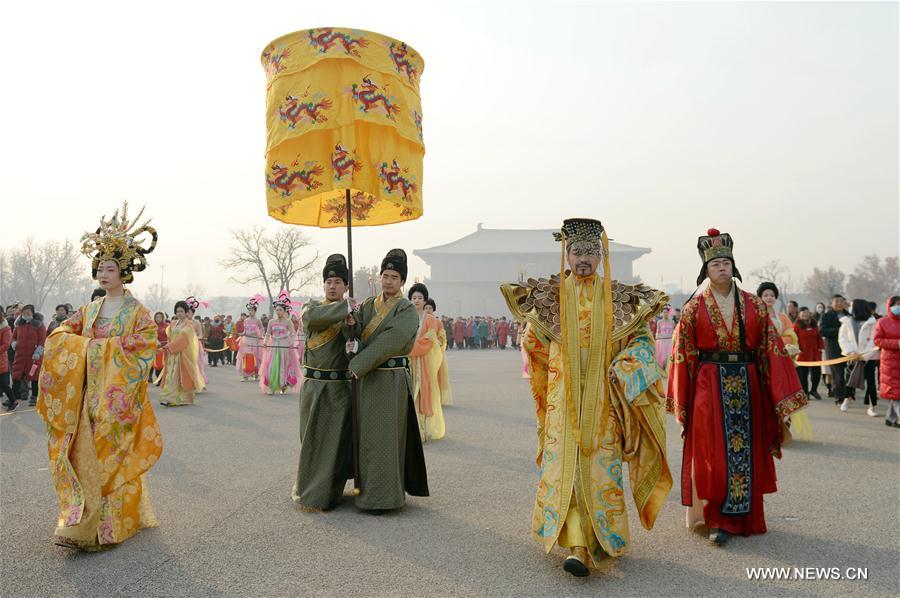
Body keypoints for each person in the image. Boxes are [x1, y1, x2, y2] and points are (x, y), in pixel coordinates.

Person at [500, 218, 671, 577]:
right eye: (577, 251)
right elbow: (534, 343)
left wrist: (624, 366)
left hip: (603, 401)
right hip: (563, 400)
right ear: (567, 254)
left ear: (601, 256)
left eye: (591, 252)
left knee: (599, 469)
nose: (583, 259)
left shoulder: (621, 299)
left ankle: (598, 539)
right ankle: (577, 543)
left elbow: (642, 343)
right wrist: (540, 349)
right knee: (568, 469)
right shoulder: (550, 298)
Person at [668, 228, 806, 546]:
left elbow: (769, 347)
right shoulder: (692, 308)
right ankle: (717, 517)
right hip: (708, 383)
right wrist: (683, 399)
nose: (722, 267)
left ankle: (743, 516)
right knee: (713, 451)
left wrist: (779, 393)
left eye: (726, 262)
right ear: (706, 270)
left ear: (733, 266)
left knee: (745, 448)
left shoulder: (754, 305)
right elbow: (683, 354)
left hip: (747, 381)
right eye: (715, 264)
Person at [36, 202, 162, 550]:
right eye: (101, 268)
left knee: (112, 457)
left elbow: (145, 344)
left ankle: (113, 525)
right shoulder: (89, 310)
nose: (103, 274)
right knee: (82, 457)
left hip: (117, 399)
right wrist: (85, 347)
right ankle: (81, 523)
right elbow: (60, 334)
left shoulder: (137, 312)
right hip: (86, 397)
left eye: (111, 269)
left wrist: (97, 348)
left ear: (124, 272)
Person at [345, 249, 429, 511]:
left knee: (385, 437)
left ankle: (385, 497)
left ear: (402, 281)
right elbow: (358, 333)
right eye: (385, 276)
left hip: (389, 380)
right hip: (368, 379)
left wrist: (358, 363)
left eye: (394, 277)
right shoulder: (369, 305)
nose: (389, 281)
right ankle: (366, 492)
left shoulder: (406, 309)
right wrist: (350, 323)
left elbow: (390, 341)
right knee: (367, 437)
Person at [293, 255, 355, 509]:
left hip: (339, 387)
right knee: (311, 439)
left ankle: (329, 493)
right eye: (328, 282)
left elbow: (359, 342)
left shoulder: (352, 313)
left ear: (346, 286)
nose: (332, 286)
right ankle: (308, 490)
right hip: (313, 385)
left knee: (334, 442)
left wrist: (353, 333)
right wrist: (344, 309)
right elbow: (311, 319)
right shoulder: (312, 307)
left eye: (338, 282)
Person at [757, 282, 811, 440]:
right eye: (765, 295)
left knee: (782, 392)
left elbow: (791, 335)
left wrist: (780, 343)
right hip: (763, 361)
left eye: (772, 295)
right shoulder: (756, 315)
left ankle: (782, 428)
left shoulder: (782, 316)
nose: (769, 298)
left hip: (781, 360)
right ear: (760, 298)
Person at [407, 283, 447, 441]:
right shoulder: (405, 317)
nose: (416, 300)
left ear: (425, 301)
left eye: (420, 298)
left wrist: (408, 347)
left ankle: (422, 430)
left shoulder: (431, 320)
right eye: (414, 298)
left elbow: (429, 341)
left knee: (423, 393)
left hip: (423, 363)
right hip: (407, 362)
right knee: (409, 394)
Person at [838, 299, 879, 416]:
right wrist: (851, 352)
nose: (849, 307)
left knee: (870, 381)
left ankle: (872, 406)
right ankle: (847, 398)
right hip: (852, 356)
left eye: (852, 305)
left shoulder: (872, 322)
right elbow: (842, 338)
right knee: (850, 378)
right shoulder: (847, 321)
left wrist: (864, 355)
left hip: (868, 357)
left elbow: (874, 340)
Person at [160, 301, 204, 406]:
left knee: (181, 376)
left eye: (181, 311)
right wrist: (168, 346)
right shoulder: (173, 323)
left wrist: (170, 346)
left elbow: (184, 339)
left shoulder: (189, 324)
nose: (179, 313)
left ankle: (183, 399)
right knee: (171, 376)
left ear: (186, 312)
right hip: (172, 354)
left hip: (182, 354)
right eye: (177, 311)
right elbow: (170, 337)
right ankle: (170, 398)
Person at [259, 291, 301, 395]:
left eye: (280, 310)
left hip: (284, 346)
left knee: (283, 366)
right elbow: (267, 333)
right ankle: (272, 387)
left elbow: (293, 334)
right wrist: (265, 342)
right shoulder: (271, 321)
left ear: (284, 310)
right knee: (272, 365)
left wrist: (291, 343)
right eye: (277, 310)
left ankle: (283, 385)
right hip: (273, 346)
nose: (278, 312)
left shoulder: (288, 322)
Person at [11, 304, 45, 407]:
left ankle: (35, 396)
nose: (26, 315)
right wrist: (14, 344)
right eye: (24, 313)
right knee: (16, 376)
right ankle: (13, 397)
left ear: (33, 313)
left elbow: (42, 340)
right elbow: (14, 337)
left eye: (28, 313)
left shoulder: (39, 325)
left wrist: (38, 352)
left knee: (34, 376)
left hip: (34, 357)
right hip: (20, 356)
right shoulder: (18, 325)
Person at [873, 296, 900, 428]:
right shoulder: (882, 322)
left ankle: (890, 418)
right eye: (897, 304)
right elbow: (877, 340)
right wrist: (897, 343)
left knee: (895, 393)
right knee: (895, 392)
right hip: (889, 361)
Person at [819, 295, 850, 404]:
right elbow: (822, 331)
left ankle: (849, 394)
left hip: (848, 348)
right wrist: (840, 331)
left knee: (849, 372)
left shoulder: (849, 316)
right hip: (833, 348)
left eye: (841, 301)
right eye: (836, 301)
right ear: (831, 303)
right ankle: (839, 396)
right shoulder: (826, 316)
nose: (839, 303)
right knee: (838, 373)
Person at [794, 307, 824, 400]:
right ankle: (805, 392)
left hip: (815, 353)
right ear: (799, 315)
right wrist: (797, 350)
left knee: (817, 373)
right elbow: (794, 339)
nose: (805, 314)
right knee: (803, 375)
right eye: (803, 313)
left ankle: (814, 390)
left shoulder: (814, 325)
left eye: (807, 312)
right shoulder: (796, 326)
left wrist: (821, 347)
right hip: (802, 354)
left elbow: (818, 337)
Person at [237, 297, 264, 381]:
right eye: (249, 310)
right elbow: (245, 330)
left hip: (255, 341)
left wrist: (259, 335)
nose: (250, 312)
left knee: (255, 357)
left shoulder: (258, 320)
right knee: (246, 356)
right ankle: (245, 374)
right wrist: (242, 334)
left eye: (252, 310)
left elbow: (262, 329)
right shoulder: (246, 320)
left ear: (255, 311)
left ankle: (255, 373)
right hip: (246, 341)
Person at [0, 307, 14, 409]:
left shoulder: (5, 328)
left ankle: (13, 401)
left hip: (1, 359)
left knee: (3, 384)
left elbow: (6, 345)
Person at [655, 305, 676, 370]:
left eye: (666, 312)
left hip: (670, 341)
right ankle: (662, 370)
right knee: (663, 358)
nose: (665, 314)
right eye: (664, 312)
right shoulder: (659, 322)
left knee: (670, 356)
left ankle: (669, 371)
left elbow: (674, 332)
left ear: (668, 313)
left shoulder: (672, 322)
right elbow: (658, 332)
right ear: (662, 313)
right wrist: (657, 340)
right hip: (662, 341)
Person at [151, 312, 168, 384]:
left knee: (163, 364)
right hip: (155, 348)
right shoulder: (152, 326)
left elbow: (169, 336)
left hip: (165, 347)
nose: (158, 319)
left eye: (160, 317)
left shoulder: (167, 326)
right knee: (157, 365)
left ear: (163, 318)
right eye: (157, 317)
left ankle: (162, 380)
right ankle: (158, 379)